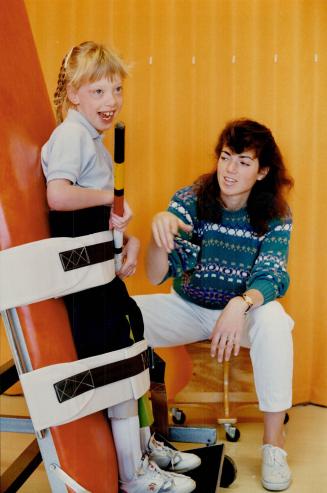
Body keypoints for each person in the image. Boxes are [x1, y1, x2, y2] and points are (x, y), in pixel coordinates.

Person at [41, 41, 199, 493]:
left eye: (116, 90)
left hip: (100, 273)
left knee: (136, 355)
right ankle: (133, 475)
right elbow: (59, 196)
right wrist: (112, 201)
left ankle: (144, 447)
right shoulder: (71, 135)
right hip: (82, 282)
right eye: (98, 92)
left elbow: (99, 215)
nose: (111, 102)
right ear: (74, 93)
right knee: (119, 367)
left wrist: (125, 240)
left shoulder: (91, 139)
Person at [134, 118, 295, 492]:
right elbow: (158, 275)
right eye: (225, 157)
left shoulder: (276, 213)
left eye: (243, 161)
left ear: (262, 171)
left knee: (275, 322)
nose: (230, 169)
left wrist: (239, 306)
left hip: (245, 313)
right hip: (189, 307)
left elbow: (272, 276)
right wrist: (160, 234)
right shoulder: (191, 199)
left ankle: (274, 445)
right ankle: (141, 440)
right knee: (123, 315)